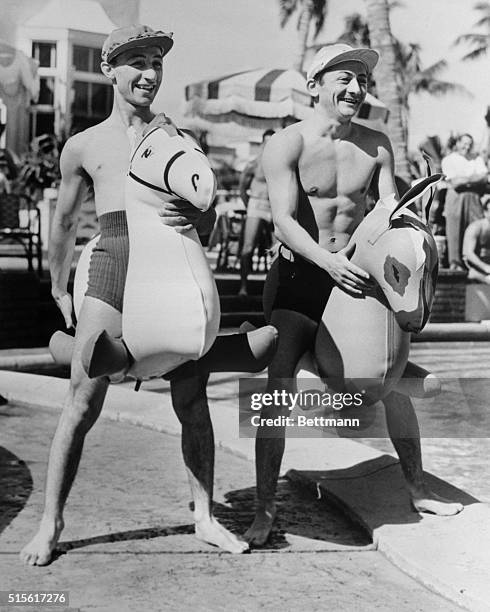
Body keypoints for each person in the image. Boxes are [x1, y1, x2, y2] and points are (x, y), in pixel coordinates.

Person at [20, 24, 250, 566]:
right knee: (83, 395)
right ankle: (50, 523)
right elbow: (64, 221)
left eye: (157, 64)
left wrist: (203, 214)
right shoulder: (85, 144)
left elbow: (208, 220)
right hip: (111, 257)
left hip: (167, 257)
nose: (150, 74)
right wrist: (57, 282)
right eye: (137, 63)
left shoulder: (177, 138)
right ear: (110, 70)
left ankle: (205, 516)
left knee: (192, 395)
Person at [245, 43, 463, 546]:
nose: (354, 89)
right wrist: (328, 262)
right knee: (279, 385)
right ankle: (264, 508)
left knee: (392, 383)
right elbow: (281, 222)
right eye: (343, 78)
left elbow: (389, 214)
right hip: (302, 276)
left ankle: (416, 486)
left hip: (357, 282)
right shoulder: (286, 144)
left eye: (361, 81)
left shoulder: (377, 144)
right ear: (315, 83)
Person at [441, 133, 489, 271]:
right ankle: (455, 266)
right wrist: (473, 178)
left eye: (469, 144)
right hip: (455, 197)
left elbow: (484, 178)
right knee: (455, 231)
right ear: (457, 143)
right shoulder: (448, 160)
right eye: (464, 143)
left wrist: (465, 180)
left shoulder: (476, 158)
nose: (467, 147)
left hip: (474, 198)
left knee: (476, 227)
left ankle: (477, 266)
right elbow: (455, 183)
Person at [238, 129, 275, 296]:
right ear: (262, 144)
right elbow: (242, 188)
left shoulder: (282, 164)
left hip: (274, 207)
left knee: (277, 250)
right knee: (248, 247)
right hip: (256, 204)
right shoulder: (254, 164)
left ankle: (272, 290)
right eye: (267, 143)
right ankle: (243, 287)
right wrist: (249, 206)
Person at [463, 197, 490, 283]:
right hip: (475, 267)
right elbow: (468, 254)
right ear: (485, 212)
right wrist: (485, 267)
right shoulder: (476, 227)